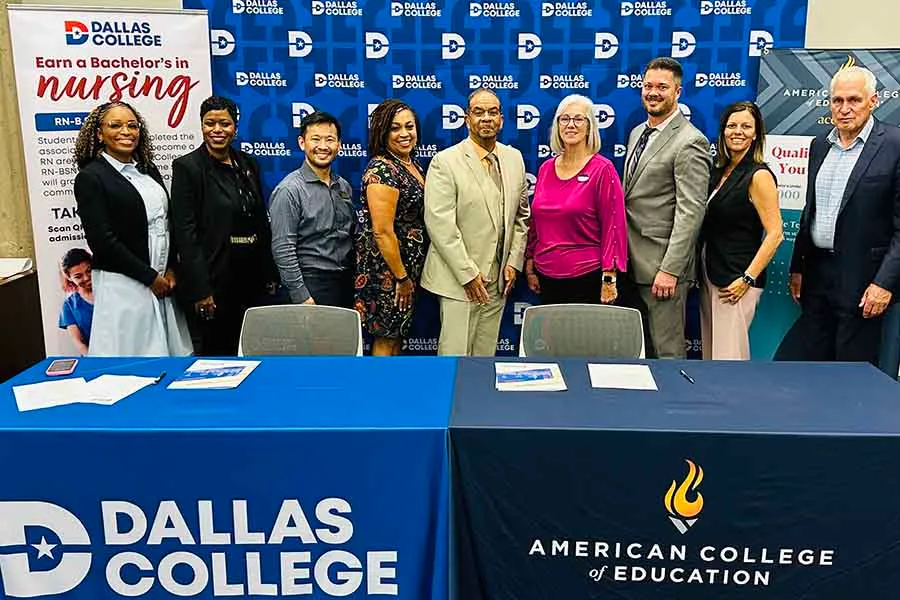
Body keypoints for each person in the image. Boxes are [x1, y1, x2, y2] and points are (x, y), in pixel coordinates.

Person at [775, 66, 900, 368]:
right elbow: (811, 211)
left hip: (864, 280)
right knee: (808, 366)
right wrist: (798, 268)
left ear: (874, 101)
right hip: (817, 276)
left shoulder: (895, 145)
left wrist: (884, 283)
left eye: (854, 100)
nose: (844, 109)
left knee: (853, 372)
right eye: (837, 100)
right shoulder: (820, 146)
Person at [73, 101, 191, 356]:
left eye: (132, 125)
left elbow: (166, 224)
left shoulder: (147, 170)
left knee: (168, 360)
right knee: (134, 362)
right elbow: (102, 240)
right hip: (125, 285)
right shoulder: (91, 177)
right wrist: (148, 277)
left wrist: (171, 267)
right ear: (99, 133)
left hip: (162, 283)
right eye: (115, 125)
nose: (126, 131)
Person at [422, 88, 530, 356]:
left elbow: (521, 216)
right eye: (478, 112)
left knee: (484, 360)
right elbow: (440, 226)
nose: (486, 118)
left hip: (498, 281)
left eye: (493, 112)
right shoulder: (444, 162)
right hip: (459, 282)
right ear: (466, 119)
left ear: (501, 120)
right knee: (454, 359)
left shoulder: (514, 158)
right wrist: (468, 274)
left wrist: (513, 262)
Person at [170, 96, 278, 356]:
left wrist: (269, 272)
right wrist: (201, 290)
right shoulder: (188, 167)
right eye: (210, 123)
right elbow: (186, 232)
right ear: (201, 126)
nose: (217, 130)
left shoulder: (248, 163)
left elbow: (259, 221)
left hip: (250, 280)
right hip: (214, 283)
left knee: (252, 352)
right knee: (218, 356)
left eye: (224, 123)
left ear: (235, 127)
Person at [619, 57, 710, 358]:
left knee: (667, 353)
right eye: (648, 86)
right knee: (636, 351)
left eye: (662, 87)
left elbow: (691, 212)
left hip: (662, 269)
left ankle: (675, 407)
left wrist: (670, 270)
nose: (653, 93)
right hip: (631, 265)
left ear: (678, 92)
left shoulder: (690, 141)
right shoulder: (636, 133)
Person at [525, 94, 627, 305]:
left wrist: (609, 277)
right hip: (546, 277)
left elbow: (614, 227)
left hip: (587, 278)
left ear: (590, 127)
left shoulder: (603, 170)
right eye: (564, 119)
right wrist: (529, 261)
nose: (571, 125)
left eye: (578, 119)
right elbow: (536, 222)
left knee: (585, 339)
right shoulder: (545, 169)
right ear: (557, 125)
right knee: (552, 339)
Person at [699, 101, 783, 360]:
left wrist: (747, 279)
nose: (738, 131)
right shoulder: (719, 171)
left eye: (746, 126)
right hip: (710, 272)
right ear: (723, 131)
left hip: (736, 280)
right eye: (732, 125)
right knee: (712, 357)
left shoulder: (759, 176)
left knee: (729, 360)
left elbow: (775, 234)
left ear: (756, 133)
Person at [354, 100, 429, 356]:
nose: (404, 134)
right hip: (387, 274)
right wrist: (401, 277)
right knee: (386, 337)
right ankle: (378, 393)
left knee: (397, 335)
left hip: (407, 270)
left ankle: (391, 392)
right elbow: (382, 231)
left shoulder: (412, 164)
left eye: (409, 126)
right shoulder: (382, 170)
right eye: (395, 128)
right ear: (382, 132)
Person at [270, 111, 354, 308]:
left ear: (339, 145)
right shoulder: (289, 190)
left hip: (344, 283)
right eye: (315, 139)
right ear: (302, 142)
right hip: (310, 284)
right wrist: (300, 295)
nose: (323, 146)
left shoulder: (343, 186)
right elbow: (283, 248)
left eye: (330, 140)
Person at [58, 247, 94, 355]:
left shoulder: (110, 292)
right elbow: (78, 341)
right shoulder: (69, 305)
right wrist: (95, 361)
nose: (86, 278)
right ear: (69, 278)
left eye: (89, 271)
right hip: (93, 359)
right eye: (78, 276)